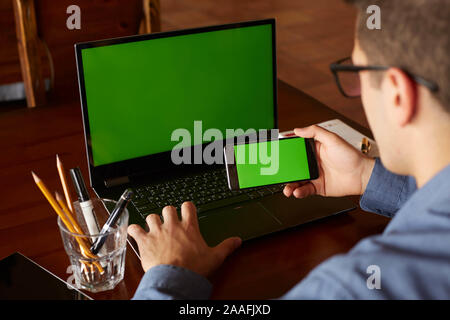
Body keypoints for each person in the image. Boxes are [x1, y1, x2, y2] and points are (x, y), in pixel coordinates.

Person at [129, 0, 450, 299]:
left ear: (397, 95)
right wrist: (366, 175)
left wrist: (167, 275)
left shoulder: (352, 287)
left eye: (356, 73)